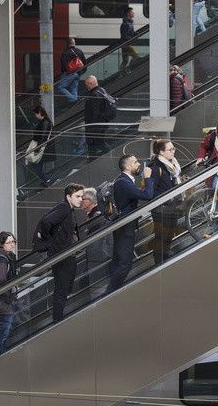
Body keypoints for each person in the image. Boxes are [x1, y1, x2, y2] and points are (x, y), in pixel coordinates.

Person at [105, 154, 156, 293]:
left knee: (118, 260)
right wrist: (147, 177)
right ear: (127, 166)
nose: (138, 164)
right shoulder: (123, 182)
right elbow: (148, 195)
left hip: (124, 227)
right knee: (124, 263)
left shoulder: (123, 180)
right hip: (125, 228)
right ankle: (109, 294)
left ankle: (111, 292)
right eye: (135, 162)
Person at [35, 184, 84, 322]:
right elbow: (46, 221)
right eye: (77, 196)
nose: (80, 199)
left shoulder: (69, 210)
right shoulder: (64, 208)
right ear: (68, 196)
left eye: (82, 196)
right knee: (61, 290)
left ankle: (59, 318)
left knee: (65, 288)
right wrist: (49, 240)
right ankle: (57, 320)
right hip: (62, 255)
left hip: (67, 254)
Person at [147, 138, 182, 266]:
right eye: (170, 149)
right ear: (161, 152)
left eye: (174, 148)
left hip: (171, 207)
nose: (173, 151)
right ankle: (159, 265)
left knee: (168, 236)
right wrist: (167, 197)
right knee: (161, 238)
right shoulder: (156, 168)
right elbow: (151, 191)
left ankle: (165, 258)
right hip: (161, 209)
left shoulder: (172, 166)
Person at [82, 76, 115, 159]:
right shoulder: (102, 90)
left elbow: (95, 113)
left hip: (95, 126)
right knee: (98, 142)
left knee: (96, 142)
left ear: (90, 83)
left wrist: (90, 126)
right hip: (102, 123)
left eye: (87, 85)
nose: (86, 87)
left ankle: (107, 156)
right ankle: (95, 158)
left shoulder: (94, 95)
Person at [25, 104, 52, 187]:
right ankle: (44, 181)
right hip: (41, 146)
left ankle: (45, 181)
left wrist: (37, 149)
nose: (35, 116)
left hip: (41, 147)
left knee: (36, 164)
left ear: (40, 113)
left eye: (36, 114)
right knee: (37, 164)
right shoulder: (44, 121)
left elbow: (43, 137)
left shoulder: (45, 122)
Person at [56, 38, 86, 103]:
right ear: (74, 43)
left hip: (69, 74)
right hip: (78, 74)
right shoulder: (79, 51)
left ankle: (74, 99)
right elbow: (85, 64)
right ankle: (72, 102)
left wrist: (65, 74)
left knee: (60, 87)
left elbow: (63, 66)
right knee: (74, 90)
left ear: (67, 44)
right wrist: (79, 73)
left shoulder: (65, 52)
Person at [119, 7, 137, 72]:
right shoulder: (126, 24)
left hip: (126, 44)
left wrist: (135, 34)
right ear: (128, 13)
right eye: (132, 12)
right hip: (126, 45)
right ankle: (129, 68)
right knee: (136, 56)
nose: (133, 13)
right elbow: (124, 36)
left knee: (125, 60)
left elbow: (130, 33)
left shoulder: (129, 23)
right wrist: (132, 38)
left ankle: (121, 74)